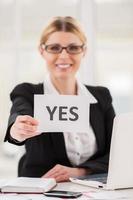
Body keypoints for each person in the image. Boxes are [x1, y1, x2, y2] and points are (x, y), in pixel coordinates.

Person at [4, 16, 115, 182]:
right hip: (42, 192)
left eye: (73, 48)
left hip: (94, 192)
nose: (64, 56)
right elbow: (19, 114)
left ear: (83, 51)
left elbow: (117, 153)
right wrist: (16, 131)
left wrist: (80, 172)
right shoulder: (27, 92)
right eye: (54, 48)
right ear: (42, 51)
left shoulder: (101, 97)